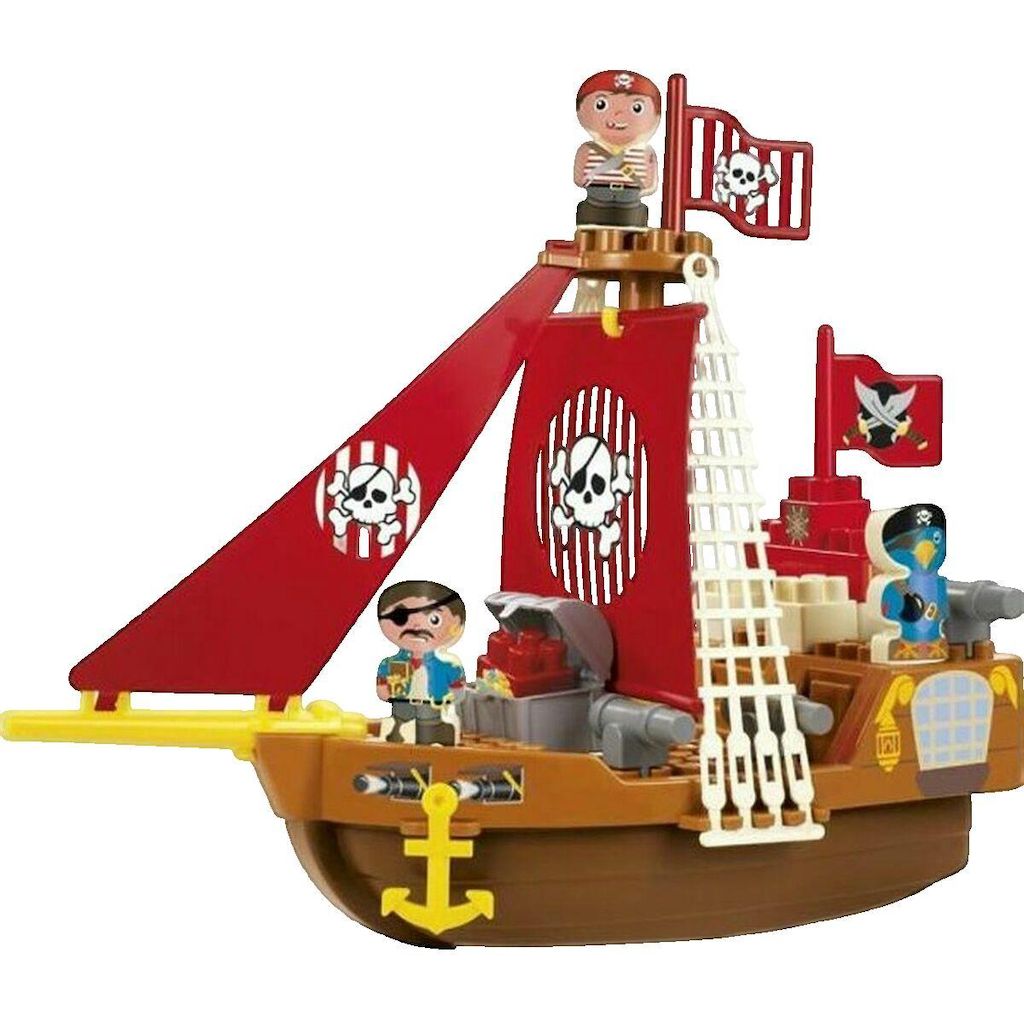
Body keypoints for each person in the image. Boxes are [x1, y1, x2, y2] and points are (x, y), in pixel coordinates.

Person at [375, 580, 467, 745]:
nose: (417, 625)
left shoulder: (448, 664)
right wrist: (386, 690)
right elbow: (382, 689)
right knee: (399, 729)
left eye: (434, 619)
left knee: (430, 730)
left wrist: (449, 697)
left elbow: (458, 689)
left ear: (455, 623)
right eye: (401, 618)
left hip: (433, 707)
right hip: (402, 705)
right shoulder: (389, 664)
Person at [574, 70, 661, 228]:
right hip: (596, 196)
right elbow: (579, 178)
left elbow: (649, 180)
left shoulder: (645, 153)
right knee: (592, 226)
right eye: (601, 105)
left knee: (631, 230)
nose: (619, 114)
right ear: (581, 110)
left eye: (637, 108)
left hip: (631, 199)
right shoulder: (588, 149)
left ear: (656, 115)